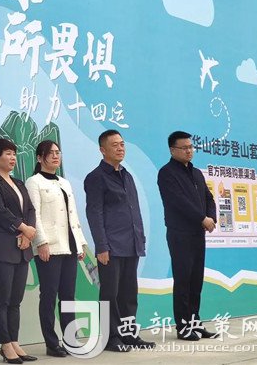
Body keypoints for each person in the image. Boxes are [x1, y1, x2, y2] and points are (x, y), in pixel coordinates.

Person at [84, 130, 155, 352]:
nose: (120, 148)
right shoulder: (96, 177)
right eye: (114, 145)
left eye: (122, 144)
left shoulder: (127, 176)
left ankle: (129, 334)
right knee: (110, 294)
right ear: (102, 150)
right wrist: (101, 246)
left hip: (131, 244)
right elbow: (94, 213)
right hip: (111, 246)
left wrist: (139, 239)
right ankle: (111, 337)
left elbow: (134, 211)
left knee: (129, 294)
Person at [25, 140, 89, 358]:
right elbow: (34, 215)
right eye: (50, 153)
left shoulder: (64, 182)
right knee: (49, 295)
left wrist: (80, 243)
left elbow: (73, 215)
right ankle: (51, 343)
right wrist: (41, 242)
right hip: (50, 248)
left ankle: (71, 340)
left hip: (69, 245)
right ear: (39, 157)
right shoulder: (34, 182)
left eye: (57, 152)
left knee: (68, 296)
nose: (55, 156)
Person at [158, 131, 218, 341]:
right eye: (184, 148)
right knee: (183, 281)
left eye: (191, 147)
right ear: (172, 150)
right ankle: (183, 327)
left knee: (196, 281)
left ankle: (195, 323)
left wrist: (211, 217)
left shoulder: (197, 173)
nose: (189, 151)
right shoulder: (166, 173)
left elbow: (208, 198)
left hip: (197, 234)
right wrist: (202, 218)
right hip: (180, 234)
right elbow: (179, 202)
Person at [0, 139, 38, 364]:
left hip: (22, 247)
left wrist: (28, 233)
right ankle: (5, 344)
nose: (13, 157)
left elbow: (30, 209)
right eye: (8, 153)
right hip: (1, 247)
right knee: (2, 297)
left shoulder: (18, 182)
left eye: (14, 153)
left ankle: (14, 341)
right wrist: (22, 228)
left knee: (16, 299)